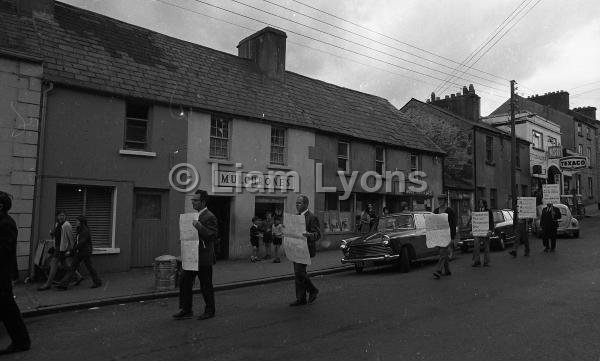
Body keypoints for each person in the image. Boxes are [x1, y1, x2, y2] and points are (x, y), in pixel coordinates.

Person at [173, 190, 219, 320]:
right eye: (192, 200)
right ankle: (186, 309)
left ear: (203, 202)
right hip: (192, 256)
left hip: (204, 257)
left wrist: (199, 226)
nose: (192, 202)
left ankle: (210, 310)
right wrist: (184, 237)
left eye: (195, 200)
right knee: (184, 282)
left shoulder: (210, 216)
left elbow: (212, 235)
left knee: (206, 284)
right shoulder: (194, 215)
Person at [0, 191, 31, 355]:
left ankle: (21, 342)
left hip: (2, 275)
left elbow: (5, 250)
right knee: (8, 310)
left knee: (9, 310)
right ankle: (21, 341)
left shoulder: (6, 223)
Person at [289, 195, 321, 307]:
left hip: (305, 249)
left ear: (306, 204)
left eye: (299, 203)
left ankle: (313, 290)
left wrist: (310, 235)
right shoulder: (295, 217)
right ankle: (301, 298)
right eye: (296, 203)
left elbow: (318, 234)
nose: (297, 205)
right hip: (295, 248)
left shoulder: (312, 217)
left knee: (299, 272)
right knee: (298, 274)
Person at [56, 216, 102, 290]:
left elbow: (81, 243)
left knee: (89, 267)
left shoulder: (85, 231)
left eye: (77, 221)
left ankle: (97, 282)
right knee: (73, 268)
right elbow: (77, 242)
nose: (76, 222)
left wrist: (71, 251)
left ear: (81, 222)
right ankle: (63, 285)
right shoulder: (79, 230)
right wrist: (72, 251)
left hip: (85, 252)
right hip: (79, 252)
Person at [38, 210, 76, 291]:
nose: (61, 217)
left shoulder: (67, 225)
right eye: (59, 215)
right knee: (65, 265)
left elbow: (71, 238)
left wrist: (72, 249)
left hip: (62, 249)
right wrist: (52, 234)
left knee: (53, 264)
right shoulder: (57, 224)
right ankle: (79, 277)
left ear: (65, 216)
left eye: (63, 215)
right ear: (57, 216)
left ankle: (48, 284)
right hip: (57, 247)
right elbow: (56, 236)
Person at [432, 196, 456, 279]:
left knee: (442, 252)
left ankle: (438, 270)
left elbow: (453, 225)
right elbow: (433, 224)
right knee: (443, 253)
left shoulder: (449, 211)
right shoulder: (435, 211)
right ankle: (447, 270)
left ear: (445, 201)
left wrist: (452, 238)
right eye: (439, 200)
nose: (440, 201)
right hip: (439, 236)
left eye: (441, 200)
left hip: (447, 235)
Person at [472, 200, 493, 267]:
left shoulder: (489, 211)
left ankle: (486, 262)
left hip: (485, 231)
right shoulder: (477, 211)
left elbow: (491, 221)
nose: (480, 204)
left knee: (486, 246)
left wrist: (490, 230)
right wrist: (472, 229)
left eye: (481, 203)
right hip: (477, 232)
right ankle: (477, 261)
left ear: (484, 204)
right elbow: (474, 221)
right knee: (476, 246)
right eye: (479, 203)